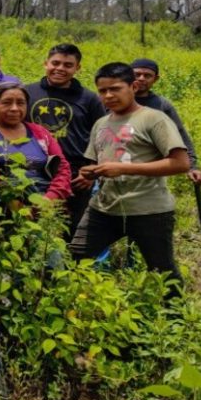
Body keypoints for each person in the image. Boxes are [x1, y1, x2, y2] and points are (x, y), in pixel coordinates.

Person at [70, 62, 189, 297]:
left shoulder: (153, 119)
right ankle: (79, 307)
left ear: (133, 86)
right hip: (104, 207)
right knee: (76, 256)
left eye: (115, 88)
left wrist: (125, 169)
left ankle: (176, 319)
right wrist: (89, 173)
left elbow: (180, 163)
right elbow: (94, 161)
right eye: (103, 91)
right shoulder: (101, 124)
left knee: (162, 269)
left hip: (149, 209)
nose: (109, 95)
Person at [26, 43, 106, 236]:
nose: (60, 68)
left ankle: (71, 266)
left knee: (72, 229)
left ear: (77, 68)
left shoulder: (89, 99)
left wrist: (92, 171)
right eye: (56, 63)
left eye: (68, 65)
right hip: (32, 171)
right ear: (46, 63)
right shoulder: (27, 93)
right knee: (29, 226)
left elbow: (102, 136)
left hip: (76, 175)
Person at [0, 82, 72, 201]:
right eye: (6, 103)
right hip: (2, 206)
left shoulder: (40, 132)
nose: (14, 108)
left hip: (45, 205)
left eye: (20, 103)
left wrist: (50, 198)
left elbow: (62, 168)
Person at [131, 58, 201, 184]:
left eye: (147, 75)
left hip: (150, 172)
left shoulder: (162, 105)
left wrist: (192, 166)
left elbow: (180, 135)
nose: (141, 78)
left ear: (156, 79)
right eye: (137, 74)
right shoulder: (113, 101)